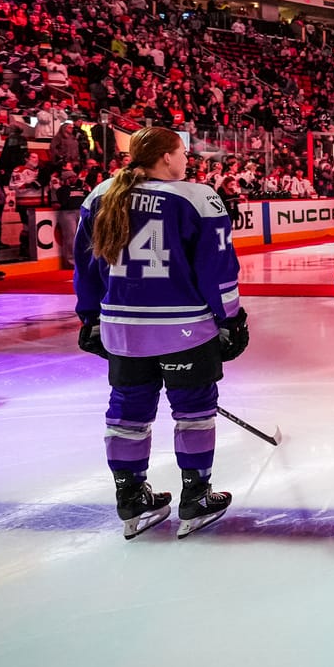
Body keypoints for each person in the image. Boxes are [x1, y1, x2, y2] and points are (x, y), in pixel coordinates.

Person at [73, 128, 247, 539]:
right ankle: (196, 496)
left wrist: (90, 316)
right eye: (183, 153)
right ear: (166, 157)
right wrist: (231, 318)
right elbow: (217, 267)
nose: (187, 160)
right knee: (194, 411)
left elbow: (85, 264)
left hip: (124, 329)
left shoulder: (101, 194)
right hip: (183, 328)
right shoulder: (196, 197)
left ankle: (130, 497)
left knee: (127, 413)